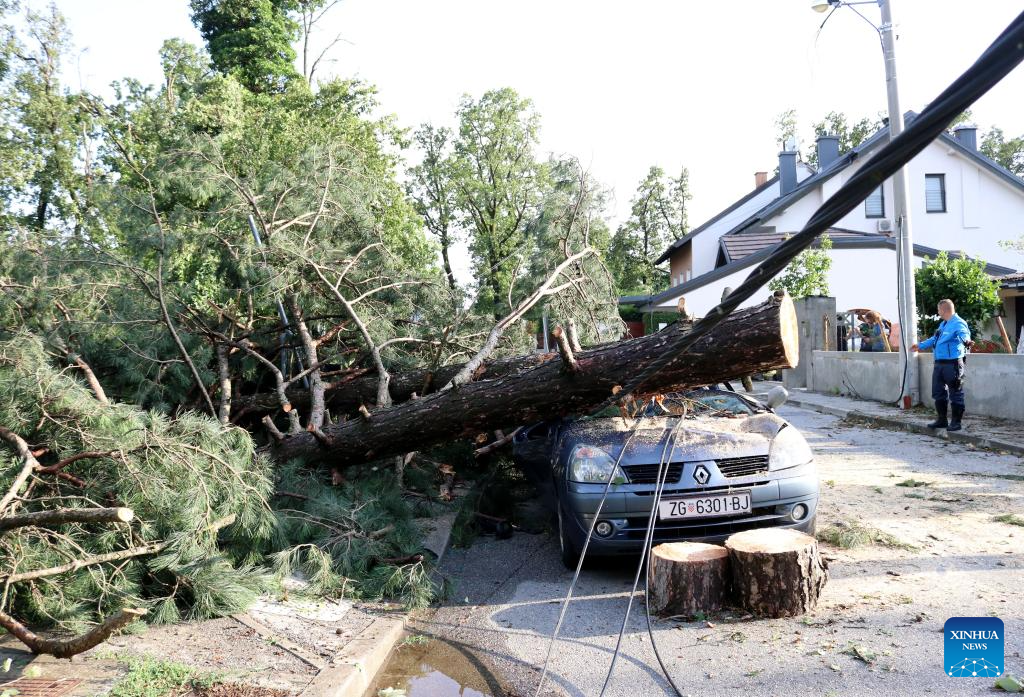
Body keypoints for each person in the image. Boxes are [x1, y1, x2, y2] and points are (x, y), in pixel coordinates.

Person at [911, 299, 971, 431]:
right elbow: (934, 339)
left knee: (956, 392)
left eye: (939, 310)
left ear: (944, 309)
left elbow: (964, 335)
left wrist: (967, 340)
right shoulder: (943, 324)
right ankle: (942, 420)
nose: (938, 313)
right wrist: (920, 346)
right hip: (939, 364)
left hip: (953, 364)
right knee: (938, 392)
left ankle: (956, 422)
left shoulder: (959, 323)